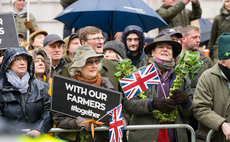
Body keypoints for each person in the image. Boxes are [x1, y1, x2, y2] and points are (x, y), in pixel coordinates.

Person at [124, 33, 193, 142]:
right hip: (145, 137)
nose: (165, 49)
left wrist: (187, 102)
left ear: (173, 54)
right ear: (152, 52)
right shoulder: (140, 74)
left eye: (169, 48)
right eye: (160, 46)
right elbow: (128, 105)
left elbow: (189, 112)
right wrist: (151, 103)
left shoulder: (182, 76)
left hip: (175, 136)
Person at [53, 45, 125, 142]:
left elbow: (121, 109)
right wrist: (76, 122)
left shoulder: (106, 82)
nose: (94, 65)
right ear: (78, 67)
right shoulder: (67, 87)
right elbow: (58, 119)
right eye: (89, 62)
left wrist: (122, 120)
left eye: (96, 61)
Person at [0, 46, 53, 137]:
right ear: (8, 63)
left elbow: (49, 111)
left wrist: (39, 128)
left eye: (25, 59)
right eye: (17, 59)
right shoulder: (1, 88)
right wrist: (17, 133)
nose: (22, 63)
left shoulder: (40, 86)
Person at [193, 32, 230, 142]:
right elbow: (200, 108)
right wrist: (222, 124)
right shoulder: (207, 77)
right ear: (223, 61)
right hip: (213, 137)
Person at [62, 26, 120, 91]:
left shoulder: (115, 66)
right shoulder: (69, 68)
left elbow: (126, 98)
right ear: (83, 43)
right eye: (96, 39)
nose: (101, 42)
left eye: (102, 38)